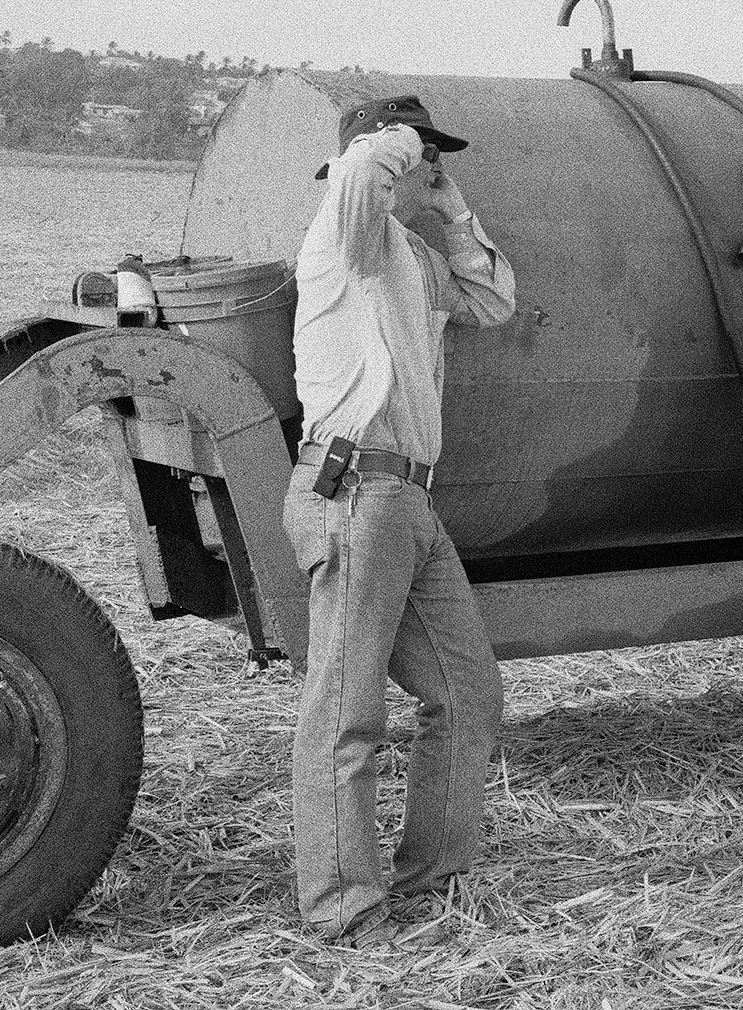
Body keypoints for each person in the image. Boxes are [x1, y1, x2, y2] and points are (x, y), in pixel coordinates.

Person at [282, 94, 516, 944]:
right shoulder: (339, 242)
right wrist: (396, 144)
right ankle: (343, 907)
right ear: (379, 163)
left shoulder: (410, 256)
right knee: (347, 710)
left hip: (410, 500)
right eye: (416, 160)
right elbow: (355, 185)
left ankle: (431, 877)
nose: (425, 171)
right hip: (354, 492)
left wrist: (450, 201)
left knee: (468, 692)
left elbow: (491, 298)